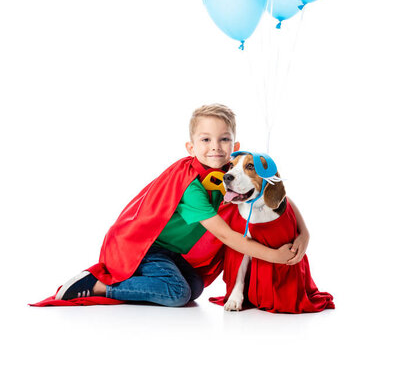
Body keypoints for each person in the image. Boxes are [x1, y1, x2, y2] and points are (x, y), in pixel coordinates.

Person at [38, 104, 310, 307]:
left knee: (194, 289)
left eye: (223, 139)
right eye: (205, 140)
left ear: (234, 144)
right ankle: (97, 284)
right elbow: (226, 236)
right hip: (146, 247)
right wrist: (273, 256)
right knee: (177, 294)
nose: (215, 147)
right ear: (190, 147)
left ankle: (142, 283)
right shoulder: (190, 186)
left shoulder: (233, 167)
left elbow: (271, 187)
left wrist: (304, 233)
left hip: (174, 254)